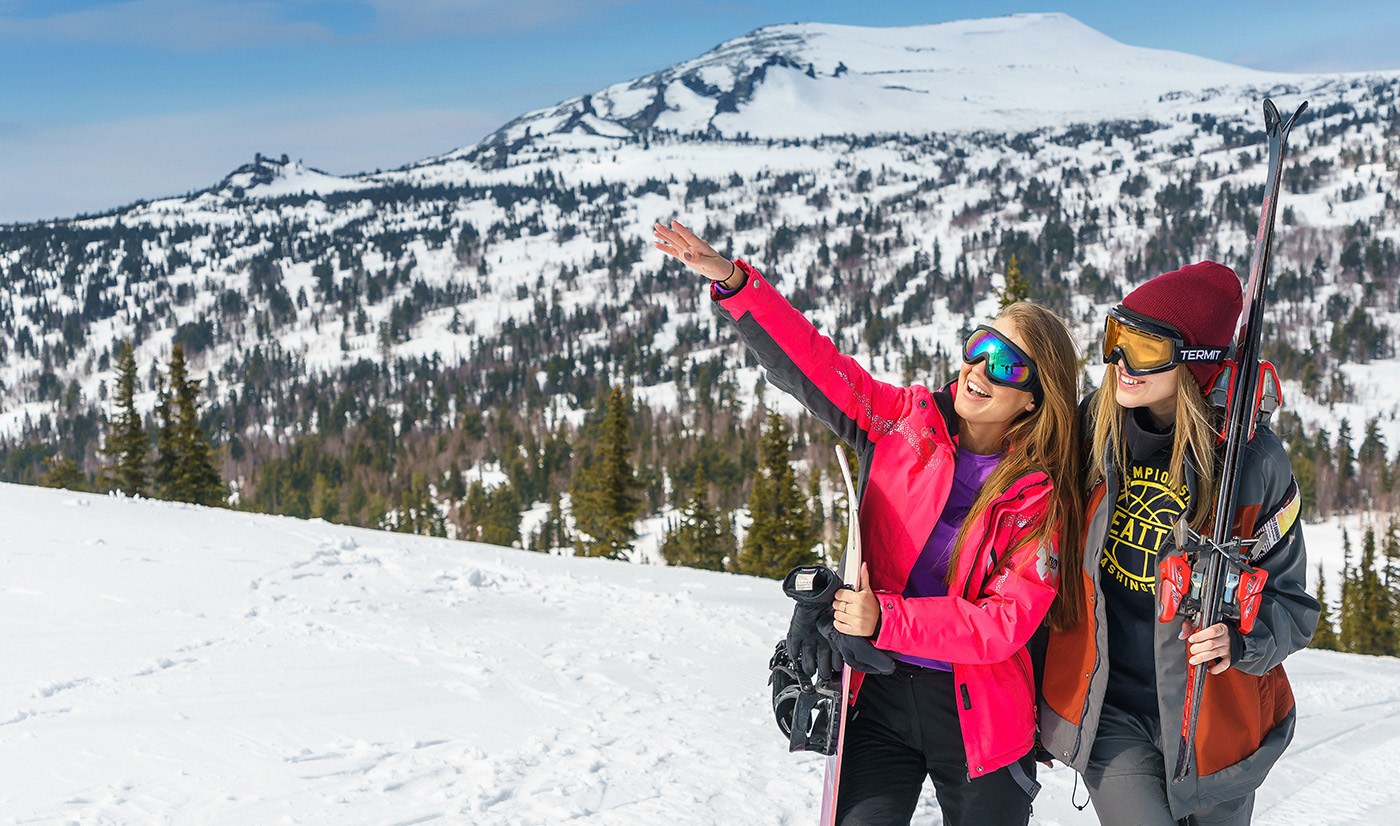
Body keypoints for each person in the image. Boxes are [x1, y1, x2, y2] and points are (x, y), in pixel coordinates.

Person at [653, 219, 1084, 826]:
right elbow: (816, 366)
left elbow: (1003, 622)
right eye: (979, 347)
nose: (980, 371)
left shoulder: (1039, 496)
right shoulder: (901, 424)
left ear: (1035, 397)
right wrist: (736, 284)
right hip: (879, 693)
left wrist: (886, 618)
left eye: (1007, 366)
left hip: (981, 720)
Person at [1038, 261, 1321, 826]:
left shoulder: (1252, 463)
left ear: (1195, 359)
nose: (1121, 363)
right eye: (1116, 338)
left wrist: (1240, 643)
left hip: (1215, 725)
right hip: (1111, 712)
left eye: (1144, 349)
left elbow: (1292, 605)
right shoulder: (1094, 430)